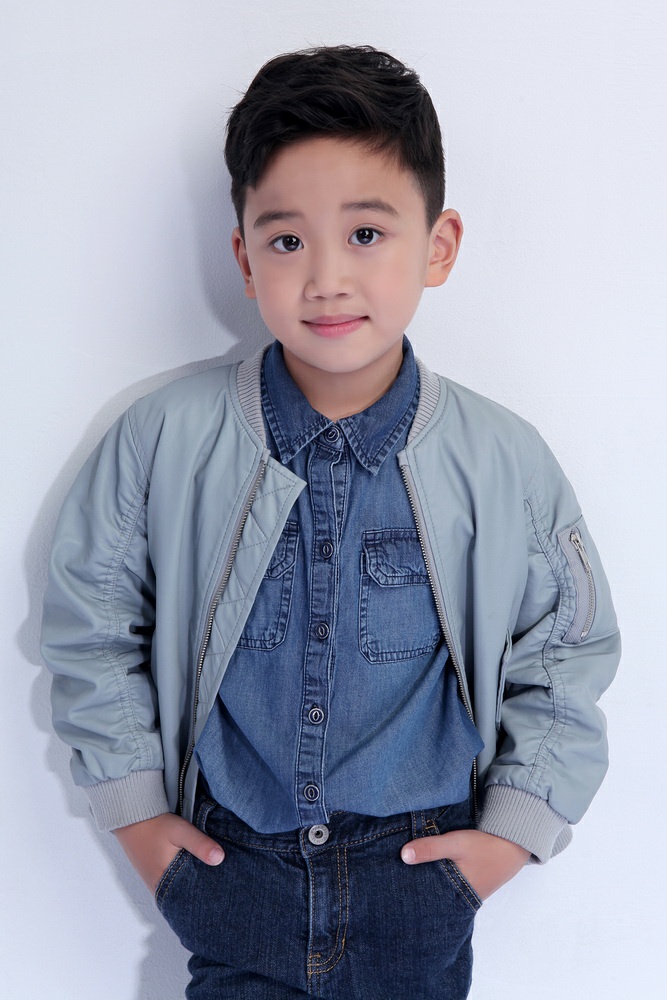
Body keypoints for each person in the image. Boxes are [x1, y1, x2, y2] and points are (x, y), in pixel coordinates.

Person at [41, 45, 620, 999]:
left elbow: (564, 652)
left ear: (437, 246)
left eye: (364, 233)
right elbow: (90, 625)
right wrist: (140, 821)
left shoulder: (503, 458)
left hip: (417, 881)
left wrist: (507, 838)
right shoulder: (162, 437)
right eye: (285, 241)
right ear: (243, 257)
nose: (325, 278)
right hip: (232, 874)